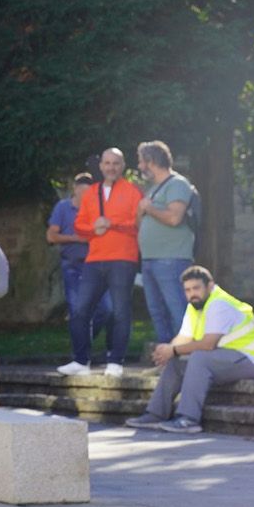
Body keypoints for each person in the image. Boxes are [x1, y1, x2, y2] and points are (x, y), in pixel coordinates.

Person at [126, 267, 254, 434]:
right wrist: (166, 352)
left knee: (199, 357)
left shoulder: (219, 304)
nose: (192, 294)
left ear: (210, 286)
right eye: (187, 290)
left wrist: (173, 350)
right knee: (177, 362)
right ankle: (155, 414)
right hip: (228, 360)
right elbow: (184, 338)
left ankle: (189, 419)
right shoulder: (195, 306)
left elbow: (208, 344)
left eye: (196, 288)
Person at [62, 148, 141, 377]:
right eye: (107, 163)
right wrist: (94, 228)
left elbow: (136, 224)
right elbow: (80, 225)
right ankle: (80, 360)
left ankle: (116, 361)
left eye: (115, 163)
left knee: (120, 311)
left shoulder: (133, 191)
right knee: (80, 309)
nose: (111, 167)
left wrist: (111, 223)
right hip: (95, 258)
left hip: (123, 258)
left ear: (123, 165)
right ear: (101, 166)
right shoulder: (91, 192)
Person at [134, 141, 197, 347]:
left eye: (141, 161)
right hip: (151, 259)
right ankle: (169, 361)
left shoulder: (177, 184)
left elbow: (174, 218)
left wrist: (149, 209)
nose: (140, 166)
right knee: (157, 311)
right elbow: (141, 220)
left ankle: (185, 358)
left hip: (172, 259)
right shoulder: (153, 189)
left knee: (176, 308)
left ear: (151, 161)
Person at [47, 174, 109, 356]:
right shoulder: (63, 208)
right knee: (77, 311)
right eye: (81, 193)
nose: (84, 198)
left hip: (96, 266)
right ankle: (81, 354)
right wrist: (77, 238)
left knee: (105, 309)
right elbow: (51, 236)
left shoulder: (98, 209)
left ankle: (83, 347)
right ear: (74, 189)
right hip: (72, 266)